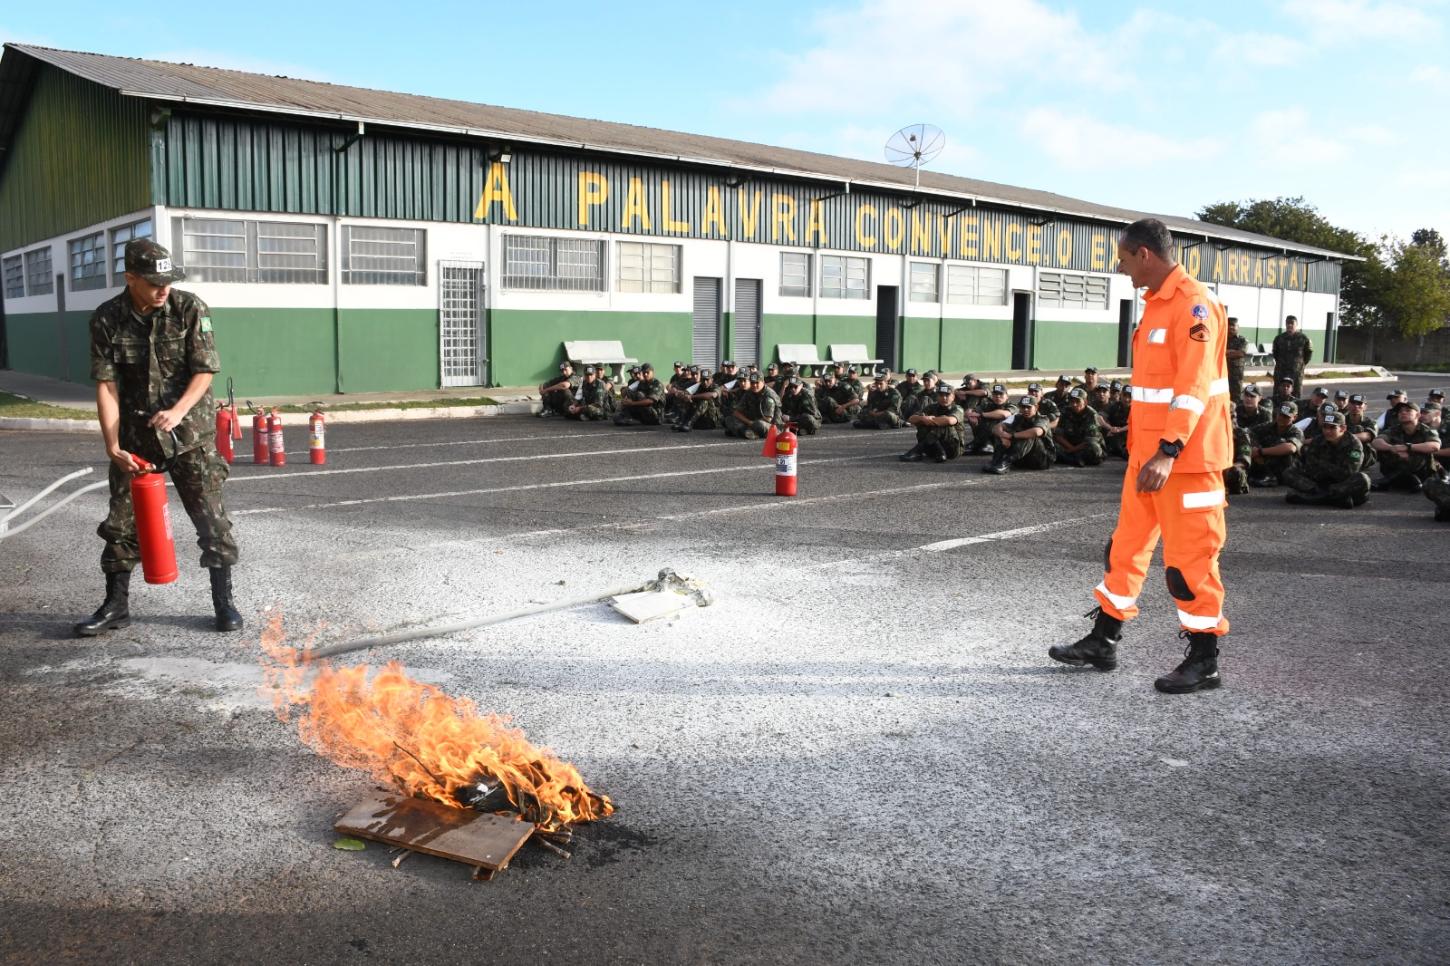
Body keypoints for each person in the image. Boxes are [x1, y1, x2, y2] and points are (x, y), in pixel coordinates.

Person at [1048, 218, 1232, 695]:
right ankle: (1103, 640)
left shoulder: (1192, 305)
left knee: (1190, 563)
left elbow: (1192, 389)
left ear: (1145, 254)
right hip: (1148, 459)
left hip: (1185, 462)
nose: (1122, 269)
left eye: (1124, 259)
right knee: (1125, 551)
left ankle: (1204, 659)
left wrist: (1169, 450)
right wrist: (1147, 451)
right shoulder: (1156, 305)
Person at [76, 239, 241, 637]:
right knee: (119, 524)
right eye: (153, 282)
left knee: (212, 522)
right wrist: (112, 444)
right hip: (137, 437)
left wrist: (179, 410)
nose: (163, 288)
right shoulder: (107, 319)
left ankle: (224, 604)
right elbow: (107, 386)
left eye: (167, 280)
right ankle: (116, 606)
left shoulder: (189, 309)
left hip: (190, 436)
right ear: (130, 278)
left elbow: (205, 371)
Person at [1282, 411, 1370, 509]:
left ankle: (1315, 498)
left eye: (1332, 427)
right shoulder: (1317, 441)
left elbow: (1348, 472)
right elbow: (1310, 466)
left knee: (1363, 479)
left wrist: (1323, 465)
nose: (1327, 431)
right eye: (1325, 427)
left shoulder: (1354, 444)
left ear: (1343, 428)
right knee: (1289, 472)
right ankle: (1332, 498)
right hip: (1319, 483)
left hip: (1341, 484)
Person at [1371, 402, 1441, 491]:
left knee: (1421, 450)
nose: (1403, 413)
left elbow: (1435, 446)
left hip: (1420, 470)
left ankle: (1391, 481)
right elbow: (1376, 441)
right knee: (1383, 449)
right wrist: (1392, 448)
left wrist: (1408, 447)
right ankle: (1409, 482)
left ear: (1418, 415)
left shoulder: (1426, 430)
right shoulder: (1394, 429)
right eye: (1400, 412)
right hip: (1396, 467)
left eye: (1408, 411)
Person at [983, 395, 1054, 474]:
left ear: (1036, 407)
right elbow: (997, 427)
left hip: (1041, 460)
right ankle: (996, 461)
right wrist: (1003, 436)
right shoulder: (1018, 417)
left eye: (1028, 407)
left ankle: (1005, 462)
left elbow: (1036, 432)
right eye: (1023, 407)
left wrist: (1011, 436)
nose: (1025, 410)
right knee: (1001, 433)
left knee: (1029, 434)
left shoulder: (1043, 418)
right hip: (1023, 458)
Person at [901, 383, 966, 463]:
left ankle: (918, 450)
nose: (944, 398)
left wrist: (931, 420)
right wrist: (923, 418)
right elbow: (911, 419)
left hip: (953, 449)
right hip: (933, 449)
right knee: (921, 422)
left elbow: (950, 420)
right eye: (941, 395)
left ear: (953, 397)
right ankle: (939, 452)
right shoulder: (933, 407)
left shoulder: (957, 408)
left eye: (947, 395)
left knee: (944, 424)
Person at [1248, 402, 1305, 487]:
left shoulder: (1296, 432)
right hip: (1262, 462)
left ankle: (1272, 478)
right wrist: (1255, 447)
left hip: (1285, 469)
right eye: (1280, 415)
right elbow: (1248, 432)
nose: (1281, 418)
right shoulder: (1268, 426)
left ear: (1294, 417)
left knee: (1282, 443)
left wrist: (1260, 452)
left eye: (1286, 416)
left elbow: (1290, 448)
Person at [1054, 388, 1104, 467]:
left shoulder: (1092, 414)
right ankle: (1074, 459)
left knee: (1095, 450)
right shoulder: (1065, 411)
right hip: (1069, 444)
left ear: (1085, 402)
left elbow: (1090, 440)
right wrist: (1071, 448)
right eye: (1072, 401)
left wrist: (1072, 450)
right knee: (1051, 445)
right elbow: (1058, 435)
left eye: (1077, 401)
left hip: (1084, 445)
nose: (1074, 404)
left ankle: (1069, 458)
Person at [724, 371, 779, 439]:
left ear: (763, 382)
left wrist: (751, 423)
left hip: (771, 425)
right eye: (752, 383)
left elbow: (768, 419)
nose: (754, 385)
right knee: (729, 419)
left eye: (757, 382)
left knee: (759, 424)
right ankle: (747, 432)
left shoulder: (769, 395)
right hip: (752, 421)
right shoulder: (749, 392)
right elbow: (736, 412)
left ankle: (744, 432)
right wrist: (749, 422)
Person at [964, 383, 1015, 454]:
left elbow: (1004, 414)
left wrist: (981, 415)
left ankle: (983, 444)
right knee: (977, 419)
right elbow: (970, 412)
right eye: (995, 394)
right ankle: (982, 443)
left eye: (1001, 394)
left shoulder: (1012, 406)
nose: (998, 397)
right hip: (986, 436)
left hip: (1004, 438)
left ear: (1007, 396)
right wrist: (972, 416)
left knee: (994, 418)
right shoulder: (987, 405)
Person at [1272, 314, 1312, 397]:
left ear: (1296, 325)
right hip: (1281, 370)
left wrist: (1300, 364)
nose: (1289, 325)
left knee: (1296, 393)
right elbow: (1275, 353)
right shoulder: (1279, 338)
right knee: (1278, 392)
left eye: (1292, 323)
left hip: (1296, 372)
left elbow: (1308, 353)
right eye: (1287, 323)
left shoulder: (1303, 338)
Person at [1225, 317, 1247, 402]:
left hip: (1236, 375)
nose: (1231, 327)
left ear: (1238, 327)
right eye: (1229, 325)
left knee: (1236, 397)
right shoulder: (1222, 338)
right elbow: (1217, 351)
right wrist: (1233, 351)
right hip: (1223, 372)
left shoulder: (1242, 340)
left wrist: (1225, 352)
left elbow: (1241, 353)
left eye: (1233, 325)